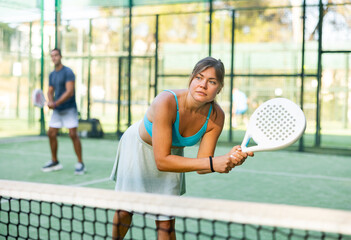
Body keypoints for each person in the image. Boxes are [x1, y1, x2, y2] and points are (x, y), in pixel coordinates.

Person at [110, 57, 254, 239]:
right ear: (191, 79)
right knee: (125, 211)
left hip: (173, 155)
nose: (203, 85)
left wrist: (229, 159)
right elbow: (162, 161)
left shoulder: (216, 116)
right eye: (199, 78)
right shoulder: (166, 101)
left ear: (220, 88)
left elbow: (204, 164)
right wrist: (212, 164)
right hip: (138, 147)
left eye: (212, 82)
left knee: (166, 221)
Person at [41, 48, 85, 175]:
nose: (54, 58)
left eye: (56, 55)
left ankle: (80, 163)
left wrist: (55, 103)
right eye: (52, 56)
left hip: (69, 109)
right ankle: (55, 161)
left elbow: (69, 91)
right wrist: (50, 101)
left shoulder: (68, 72)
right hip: (57, 110)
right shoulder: (52, 74)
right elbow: (50, 91)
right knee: (51, 133)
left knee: (73, 134)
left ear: (61, 56)